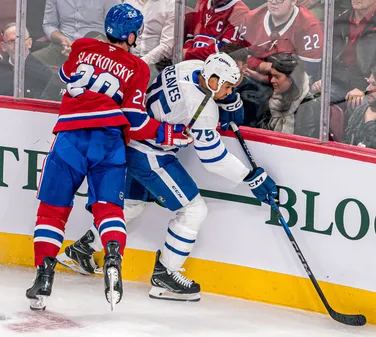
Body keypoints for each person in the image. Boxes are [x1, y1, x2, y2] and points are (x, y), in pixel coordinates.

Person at [59, 52, 279, 302]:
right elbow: (213, 158)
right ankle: (166, 275)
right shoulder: (203, 110)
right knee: (194, 210)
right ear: (214, 80)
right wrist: (251, 177)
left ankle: (81, 250)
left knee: (130, 207)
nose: (228, 92)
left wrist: (224, 102)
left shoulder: (192, 66)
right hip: (149, 154)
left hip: (129, 141)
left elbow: (195, 100)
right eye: (226, 87)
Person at [25, 3, 190, 310]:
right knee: (110, 209)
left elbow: (64, 74)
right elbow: (136, 122)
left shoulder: (82, 46)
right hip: (108, 143)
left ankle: (44, 276)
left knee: (51, 212)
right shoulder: (138, 68)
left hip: (70, 140)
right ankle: (112, 254)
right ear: (131, 34)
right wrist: (170, 134)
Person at [240, 0, 324, 84]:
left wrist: (265, 78)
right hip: (249, 77)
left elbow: (305, 76)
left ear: (293, 1)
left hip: (288, 89)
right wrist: (262, 66)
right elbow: (236, 57)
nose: (273, 2)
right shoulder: (252, 18)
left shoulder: (309, 27)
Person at [311, 0, 376, 103]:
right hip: (337, 82)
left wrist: (367, 90)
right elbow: (327, 55)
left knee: (361, 105)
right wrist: (321, 79)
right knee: (309, 99)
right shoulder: (339, 20)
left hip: (367, 87)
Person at [33, 0, 120, 66]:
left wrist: (86, 45)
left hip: (96, 49)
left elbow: (116, 30)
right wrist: (61, 38)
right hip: (63, 47)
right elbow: (49, 25)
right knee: (30, 62)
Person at [0, 23, 52, 99]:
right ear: (3, 46)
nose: (16, 45)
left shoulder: (43, 71)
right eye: (11, 41)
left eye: (20, 40)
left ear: (29, 43)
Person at [183, 0, 249, 61]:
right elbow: (191, 37)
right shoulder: (202, 2)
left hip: (220, 69)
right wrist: (187, 56)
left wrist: (188, 54)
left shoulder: (240, 12)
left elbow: (226, 51)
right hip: (192, 65)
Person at [343, 66, 376, 148]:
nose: (368, 89)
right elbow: (346, 143)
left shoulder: (369, 116)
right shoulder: (361, 110)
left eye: (374, 85)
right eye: (369, 83)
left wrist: (369, 123)